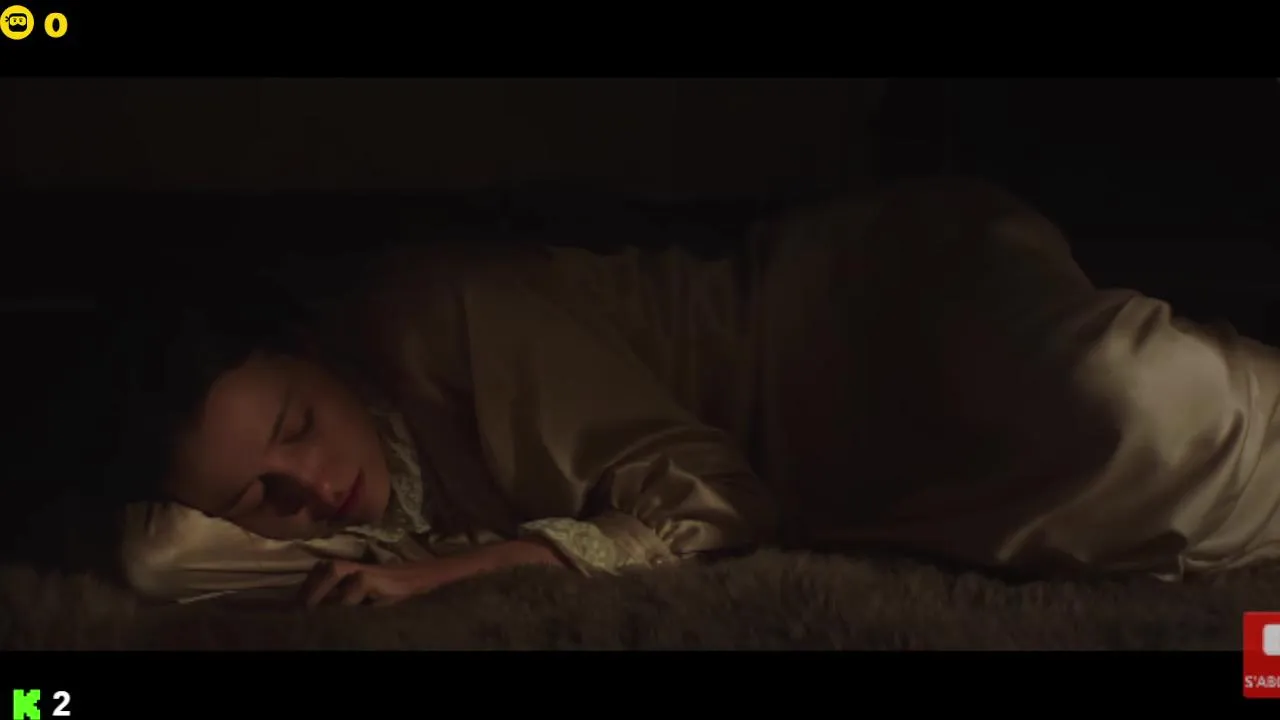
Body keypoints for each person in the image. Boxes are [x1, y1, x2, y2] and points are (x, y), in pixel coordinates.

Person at [114, 178, 1280, 606]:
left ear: (315, 354)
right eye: (258, 498)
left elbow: (715, 501)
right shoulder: (318, 503)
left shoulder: (437, 320)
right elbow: (159, 559)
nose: (312, 488)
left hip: (858, 321)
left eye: (298, 426)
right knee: (1087, 507)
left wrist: (456, 572)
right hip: (832, 473)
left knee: (1133, 404)